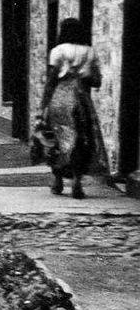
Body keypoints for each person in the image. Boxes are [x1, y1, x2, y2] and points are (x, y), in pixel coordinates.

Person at [38, 18, 108, 199]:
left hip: (61, 98)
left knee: (57, 137)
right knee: (81, 139)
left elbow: (52, 80)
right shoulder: (90, 52)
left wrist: (43, 106)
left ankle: (58, 180)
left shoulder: (58, 51)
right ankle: (77, 180)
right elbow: (96, 81)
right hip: (82, 100)